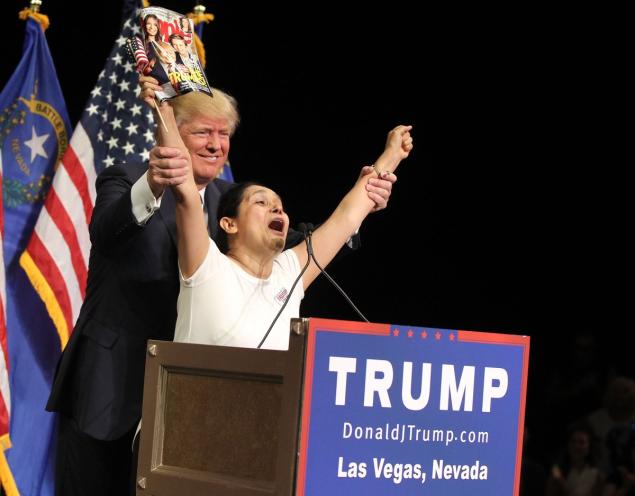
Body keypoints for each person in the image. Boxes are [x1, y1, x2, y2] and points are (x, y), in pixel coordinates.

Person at [45, 85, 397, 495]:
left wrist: (378, 177)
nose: (215, 145)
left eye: (223, 134)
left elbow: (328, 229)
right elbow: (107, 235)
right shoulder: (134, 181)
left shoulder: (231, 206)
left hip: (204, 413)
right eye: (202, 133)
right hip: (110, 388)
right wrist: (159, 128)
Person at [151, 102, 413, 349]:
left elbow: (347, 218)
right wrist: (162, 103)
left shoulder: (288, 272)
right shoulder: (206, 264)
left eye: (279, 205)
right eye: (261, 202)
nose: (277, 209)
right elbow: (183, 181)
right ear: (229, 224)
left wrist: (392, 156)